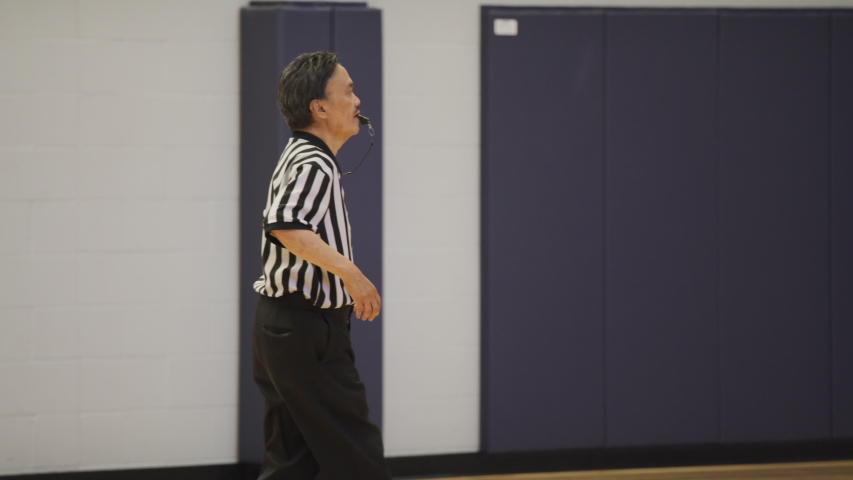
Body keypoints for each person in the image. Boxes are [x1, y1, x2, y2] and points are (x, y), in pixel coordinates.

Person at [251, 51, 391, 480]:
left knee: (292, 460)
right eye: (348, 91)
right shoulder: (315, 163)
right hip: (307, 329)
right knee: (357, 453)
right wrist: (352, 274)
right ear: (320, 108)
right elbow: (286, 225)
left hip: (279, 325)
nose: (357, 101)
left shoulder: (299, 153)